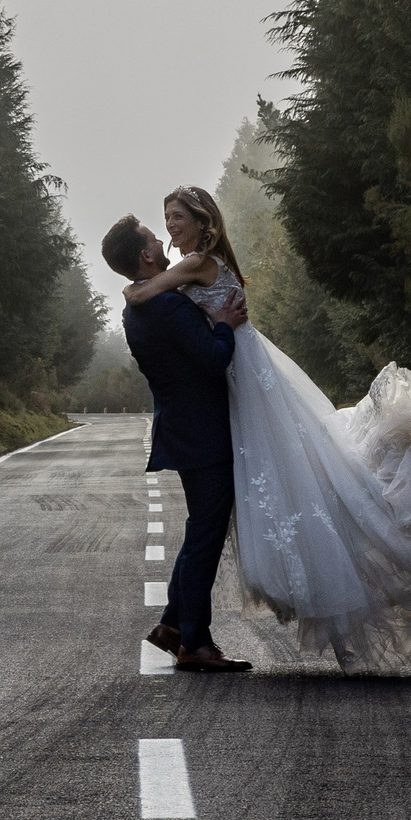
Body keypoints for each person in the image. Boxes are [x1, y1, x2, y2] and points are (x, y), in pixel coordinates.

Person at [122, 185, 411, 669]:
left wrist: (135, 290)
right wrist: (214, 320)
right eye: (164, 219)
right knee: (218, 519)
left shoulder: (196, 265)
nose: (169, 227)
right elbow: (159, 302)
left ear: (204, 221)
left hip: (238, 381)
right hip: (231, 387)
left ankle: (180, 628)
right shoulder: (192, 270)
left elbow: (144, 290)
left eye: (176, 216)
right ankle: (183, 630)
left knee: (220, 516)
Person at [103, 213, 254, 673]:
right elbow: (212, 360)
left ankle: (173, 626)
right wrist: (225, 324)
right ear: (147, 254)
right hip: (202, 434)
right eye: (153, 235)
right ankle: (195, 643)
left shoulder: (140, 305)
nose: (161, 236)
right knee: (203, 539)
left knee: (200, 533)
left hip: (186, 430)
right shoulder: (164, 307)